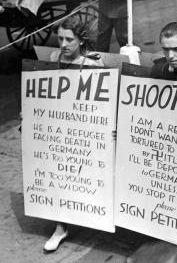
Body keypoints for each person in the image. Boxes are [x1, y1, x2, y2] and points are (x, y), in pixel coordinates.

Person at [43, 16, 104, 253]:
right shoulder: (52, 59)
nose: (63, 44)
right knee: (59, 174)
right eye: (60, 38)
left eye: (69, 39)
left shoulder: (92, 64)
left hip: (85, 129)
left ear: (81, 40)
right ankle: (61, 227)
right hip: (58, 128)